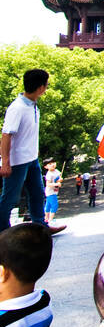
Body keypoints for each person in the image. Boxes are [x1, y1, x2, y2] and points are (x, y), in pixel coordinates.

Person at [0, 70, 64, 236]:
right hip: (17, 161)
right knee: (9, 198)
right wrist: (6, 162)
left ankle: (41, 226)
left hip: (32, 159)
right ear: (41, 87)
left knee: (37, 194)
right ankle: (3, 232)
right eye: (46, 85)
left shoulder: (33, 106)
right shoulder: (17, 108)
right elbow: (6, 135)